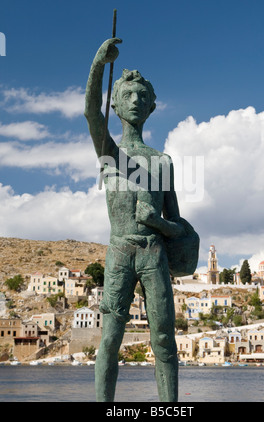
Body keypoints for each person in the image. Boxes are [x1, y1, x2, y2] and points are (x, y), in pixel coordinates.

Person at [84, 37, 186, 402]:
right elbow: (91, 115)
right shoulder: (110, 154)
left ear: (152, 106)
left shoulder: (162, 162)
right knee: (110, 338)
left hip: (153, 254)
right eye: (128, 96)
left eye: (143, 97)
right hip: (120, 253)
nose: (136, 101)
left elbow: (179, 227)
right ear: (116, 103)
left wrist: (156, 223)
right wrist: (99, 62)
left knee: (163, 338)